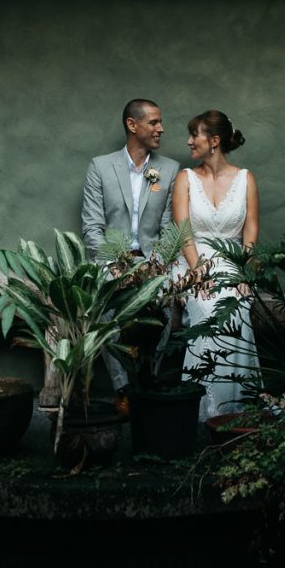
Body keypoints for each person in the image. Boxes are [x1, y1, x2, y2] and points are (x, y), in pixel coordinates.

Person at [79, 99, 181, 393]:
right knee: (109, 306)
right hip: (111, 260)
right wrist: (115, 263)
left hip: (153, 261)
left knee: (165, 297)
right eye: (154, 123)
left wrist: (155, 265)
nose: (161, 129)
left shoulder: (170, 169)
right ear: (132, 125)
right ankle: (122, 388)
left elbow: (168, 228)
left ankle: (151, 377)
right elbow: (92, 227)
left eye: (160, 122)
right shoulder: (100, 167)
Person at [172, 109, 260, 421]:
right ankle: (202, 408)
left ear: (214, 141)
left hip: (232, 260)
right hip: (193, 260)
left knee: (237, 304)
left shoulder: (245, 179)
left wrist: (244, 269)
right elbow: (183, 232)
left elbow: (250, 231)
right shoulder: (185, 179)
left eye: (194, 135)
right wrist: (196, 271)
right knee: (207, 305)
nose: (189, 141)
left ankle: (236, 405)